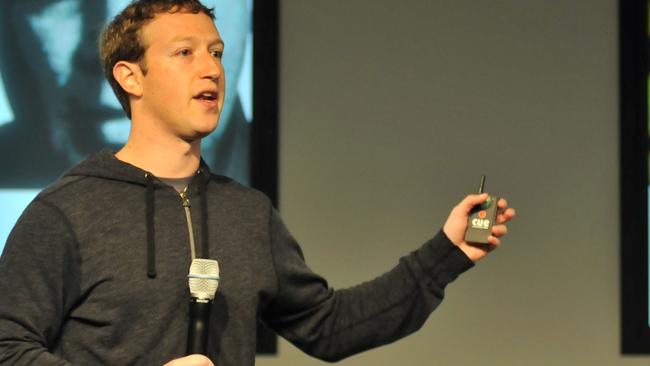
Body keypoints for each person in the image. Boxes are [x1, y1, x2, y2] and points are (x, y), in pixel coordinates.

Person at [0, 1, 516, 365]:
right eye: (186, 53)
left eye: (217, 53)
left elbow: (329, 326)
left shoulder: (245, 213)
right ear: (131, 77)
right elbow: (8, 345)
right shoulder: (66, 210)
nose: (212, 70)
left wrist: (447, 252)